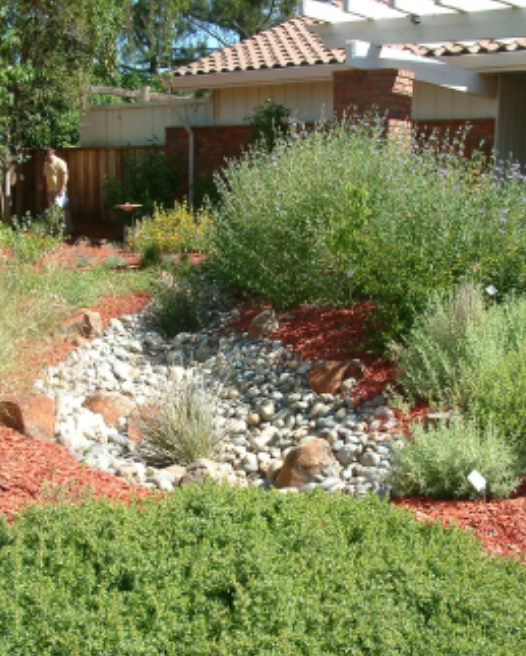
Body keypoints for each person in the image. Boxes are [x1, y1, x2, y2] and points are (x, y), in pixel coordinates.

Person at [42, 148, 73, 236]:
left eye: (47, 157)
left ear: (51, 154)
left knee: (64, 211)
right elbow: (44, 176)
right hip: (50, 191)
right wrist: (43, 186)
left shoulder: (60, 162)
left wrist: (62, 189)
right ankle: (54, 231)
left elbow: (64, 176)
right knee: (52, 211)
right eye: (45, 158)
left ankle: (67, 231)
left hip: (59, 191)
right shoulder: (46, 165)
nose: (47, 159)